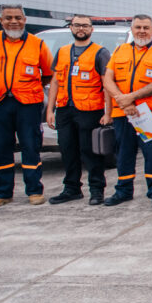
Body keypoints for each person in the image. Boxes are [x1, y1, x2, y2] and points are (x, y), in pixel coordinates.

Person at [0, 4, 54, 207]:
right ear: (1, 21)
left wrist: (26, 87)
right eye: (9, 17)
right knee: (1, 146)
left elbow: (47, 74)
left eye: (18, 17)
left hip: (27, 103)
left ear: (25, 20)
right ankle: (2, 193)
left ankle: (34, 191)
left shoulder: (37, 44)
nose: (14, 21)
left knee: (31, 145)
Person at [102, 15, 152, 207]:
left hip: (148, 114)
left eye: (146, 27)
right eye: (137, 27)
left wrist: (130, 98)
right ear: (131, 30)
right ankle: (123, 191)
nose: (141, 31)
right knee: (124, 153)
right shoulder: (120, 51)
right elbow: (108, 79)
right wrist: (124, 102)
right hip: (123, 113)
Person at [45, 15, 112, 206]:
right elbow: (56, 81)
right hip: (65, 109)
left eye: (85, 25)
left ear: (91, 29)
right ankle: (72, 188)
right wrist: (50, 110)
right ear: (71, 28)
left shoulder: (100, 53)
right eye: (77, 25)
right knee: (67, 150)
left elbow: (107, 84)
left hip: (90, 110)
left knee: (90, 151)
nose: (80, 29)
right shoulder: (63, 52)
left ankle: (97, 190)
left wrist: (108, 113)